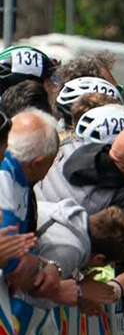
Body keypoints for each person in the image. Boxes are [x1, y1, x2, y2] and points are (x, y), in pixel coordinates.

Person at [1, 109, 61, 301]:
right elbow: (15, 261)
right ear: (38, 163)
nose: (5, 157)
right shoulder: (5, 175)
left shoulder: (21, 178)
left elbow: (19, 248)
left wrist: (47, 266)